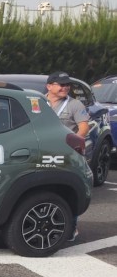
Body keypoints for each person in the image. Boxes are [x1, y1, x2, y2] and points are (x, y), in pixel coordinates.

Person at [45, 71, 89, 241]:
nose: (65, 87)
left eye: (67, 85)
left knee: (67, 190)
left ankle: (71, 227)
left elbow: (83, 127)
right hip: (43, 153)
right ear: (49, 86)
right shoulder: (38, 102)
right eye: (61, 84)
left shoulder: (74, 105)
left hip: (66, 153)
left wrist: (75, 143)